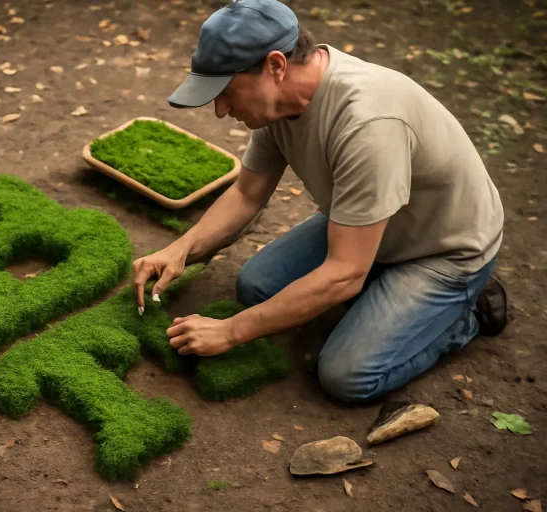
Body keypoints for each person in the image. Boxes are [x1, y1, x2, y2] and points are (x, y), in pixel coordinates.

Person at [131, 0, 507, 403]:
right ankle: (383, 292)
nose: (222, 111)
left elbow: (344, 271)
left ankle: (460, 317)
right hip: (368, 230)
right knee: (256, 286)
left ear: (276, 66)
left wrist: (229, 331)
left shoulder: (367, 124)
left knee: (346, 376)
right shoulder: (280, 103)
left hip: (443, 250)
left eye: (226, 93)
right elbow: (246, 193)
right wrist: (180, 249)